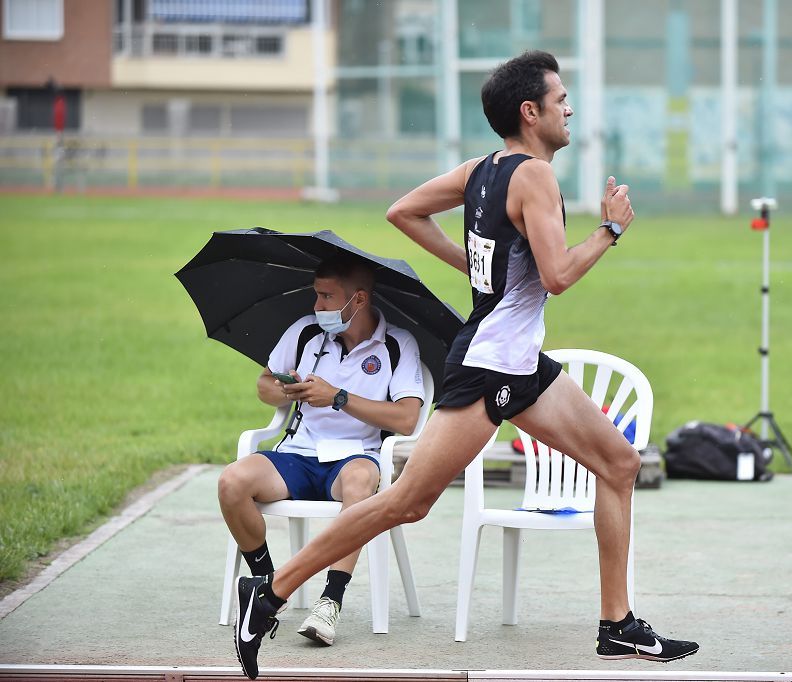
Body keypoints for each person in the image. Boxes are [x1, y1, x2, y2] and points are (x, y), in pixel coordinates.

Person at [232, 50, 698, 679]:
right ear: (531, 112)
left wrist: (481, 272)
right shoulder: (534, 175)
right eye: (561, 99)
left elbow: (403, 211)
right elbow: (557, 276)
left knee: (618, 462)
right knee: (409, 502)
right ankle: (274, 590)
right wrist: (608, 231)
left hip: (519, 361)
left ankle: (617, 625)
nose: (570, 109)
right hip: (488, 366)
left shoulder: (481, 169)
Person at [219, 254, 424, 649]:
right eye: (317, 296)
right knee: (231, 481)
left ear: (359, 300)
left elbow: (407, 419)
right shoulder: (304, 333)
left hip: (355, 456)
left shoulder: (399, 344)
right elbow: (263, 384)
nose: (317, 307)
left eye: (327, 297)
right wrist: (285, 388)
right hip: (297, 453)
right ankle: (265, 586)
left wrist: (338, 397)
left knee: (361, 482)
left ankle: (330, 602)